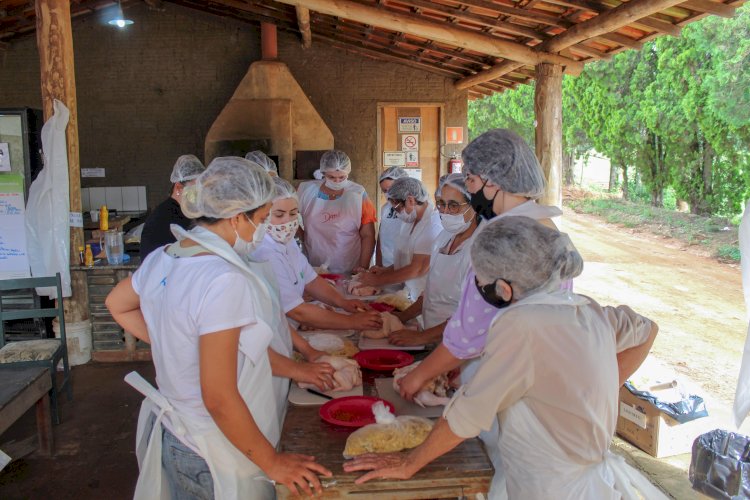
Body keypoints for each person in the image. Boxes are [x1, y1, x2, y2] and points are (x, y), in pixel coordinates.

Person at [344, 216, 664, 500]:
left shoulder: (522, 324)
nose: (479, 290)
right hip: (589, 483)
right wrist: (593, 392)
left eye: (481, 282)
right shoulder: (586, 308)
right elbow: (646, 330)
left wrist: (409, 462)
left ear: (505, 288)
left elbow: (469, 414)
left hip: (549, 488)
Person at [106, 157, 332, 499]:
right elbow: (219, 397)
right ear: (237, 217)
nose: (261, 230)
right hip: (211, 447)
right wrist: (273, 462)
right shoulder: (223, 277)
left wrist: (175, 345)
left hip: (176, 432)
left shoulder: (165, 256)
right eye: (260, 220)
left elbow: (117, 305)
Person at [395, 129, 564, 497]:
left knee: (495, 474)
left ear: (494, 181)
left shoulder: (505, 237)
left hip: (506, 393)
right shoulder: (546, 227)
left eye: (471, 180)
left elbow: (469, 333)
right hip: (543, 391)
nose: (470, 191)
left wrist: (417, 376)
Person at [252, 177, 383, 331]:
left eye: (293, 214)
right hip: (272, 332)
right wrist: (351, 322)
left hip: (288, 330)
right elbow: (297, 311)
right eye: (279, 215)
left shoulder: (287, 242)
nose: (287, 221)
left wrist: (343, 302)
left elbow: (310, 280)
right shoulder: (262, 251)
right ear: (261, 215)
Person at [388, 173, 481, 346]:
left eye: (453, 205)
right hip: (433, 335)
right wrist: (402, 317)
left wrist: (423, 337)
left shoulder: (480, 248)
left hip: (462, 344)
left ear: (474, 205)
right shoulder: (443, 238)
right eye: (441, 204)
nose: (445, 211)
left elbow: (475, 313)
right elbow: (431, 292)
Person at [356, 176, 442, 301]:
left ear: (411, 200)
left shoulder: (433, 225)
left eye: (397, 208)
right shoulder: (410, 221)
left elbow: (417, 268)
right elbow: (405, 259)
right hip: (407, 291)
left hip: (423, 297)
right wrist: (385, 271)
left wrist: (377, 280)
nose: (397, 213)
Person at [298, 150, 377, 274]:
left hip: (349, 264)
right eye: (331, 177)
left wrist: (363, 267)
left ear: (348, 173)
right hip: (315, 263)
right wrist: (302, 239)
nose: (337, 181)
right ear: (323, 173)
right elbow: (289, 216)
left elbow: (368, 235)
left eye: (342, 177)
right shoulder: (306, 191)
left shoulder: (358, 194)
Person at [139, 154, 205, 259]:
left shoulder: (185, 211)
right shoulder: (163, 216)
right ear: (178, 188)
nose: (199, 194)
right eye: (195, 189)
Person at [375, 167, 409, 268]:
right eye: (384, 191)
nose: (388, 194)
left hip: (406, 267)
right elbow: (381, 238)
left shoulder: (413, 207)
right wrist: (378, 265)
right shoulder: (385, 209)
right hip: (386, 265)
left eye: (391, 189)